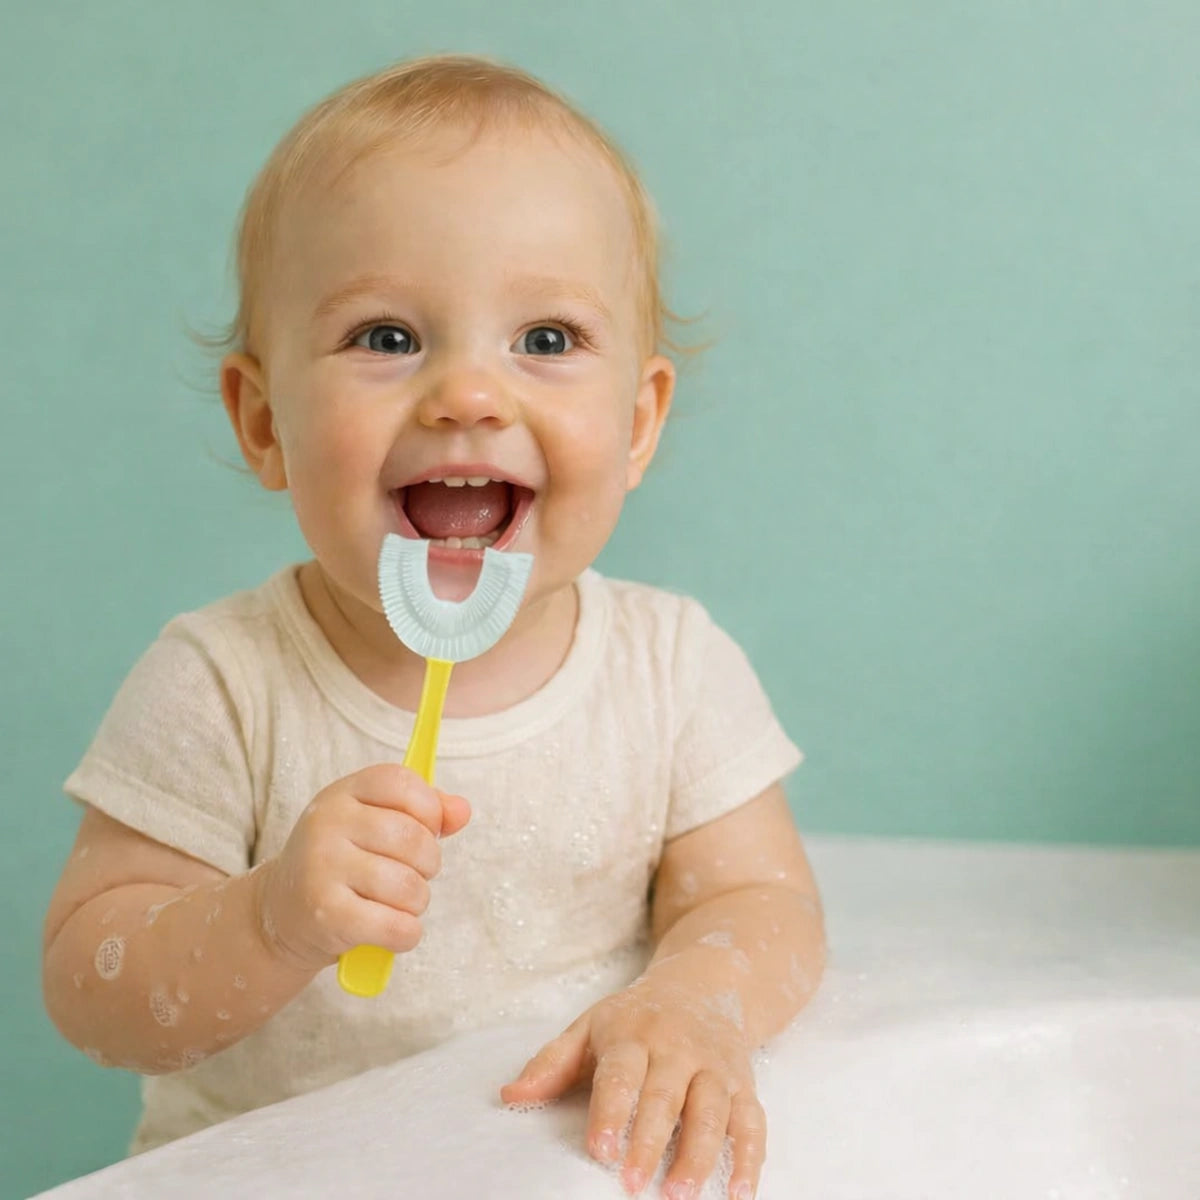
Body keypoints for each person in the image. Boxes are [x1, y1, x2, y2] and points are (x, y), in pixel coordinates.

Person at [41, 55, 825, 1200]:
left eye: (546, 341)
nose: (467, 393)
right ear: (264, 421)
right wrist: (270, 917)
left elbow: (764, 904)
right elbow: (88, 988)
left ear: (640, 422)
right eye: (389, 338)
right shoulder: (222, 681)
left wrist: (687, 1002)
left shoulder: (671, 668)